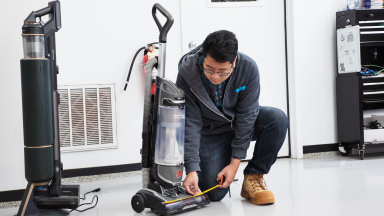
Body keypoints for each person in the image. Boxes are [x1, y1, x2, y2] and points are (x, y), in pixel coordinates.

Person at [175, 30, 288, 205]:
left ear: (234, 62)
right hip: (210, 131)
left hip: (238, 123)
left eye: (222, 71)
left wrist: (234, 165)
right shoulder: (187, 72)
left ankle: (253, 177)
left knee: (277, 119)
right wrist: (191, 170)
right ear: (203, 57)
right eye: (209, 69)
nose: (214, 76)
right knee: (215, 194)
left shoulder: (248, 68)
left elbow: (247, 116)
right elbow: (190, 122)